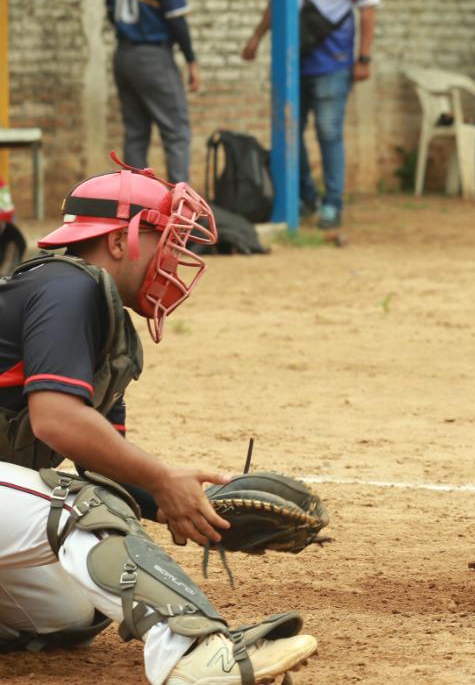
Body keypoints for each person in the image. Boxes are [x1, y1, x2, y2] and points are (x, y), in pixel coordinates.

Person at [0, 158, 316, 683]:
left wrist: (197, 511)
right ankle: (194, 654)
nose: (178, 255)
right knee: (76, 507)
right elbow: (56, 420)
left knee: (73, 613)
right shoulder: (67, 287)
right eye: (166, 237)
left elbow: (109, 473)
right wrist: (161, 478)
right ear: (121, 241)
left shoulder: (106, 329)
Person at [240, 0, 380, 229]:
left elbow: (368, 10)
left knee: (329, 131)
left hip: (333, 62)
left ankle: (332, 203)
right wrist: (258, 37)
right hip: (295, 61)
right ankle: (305, 197)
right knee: (290, 130)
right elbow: (277, 2)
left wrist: (364, 58)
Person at [106, 0, 200, 184]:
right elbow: (176, 21)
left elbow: (111, 15)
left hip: (123, 55)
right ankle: (182, 205)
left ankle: (134, 203)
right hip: (153, 57)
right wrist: (191, 60)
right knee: (177, 131)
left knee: (136, 132)